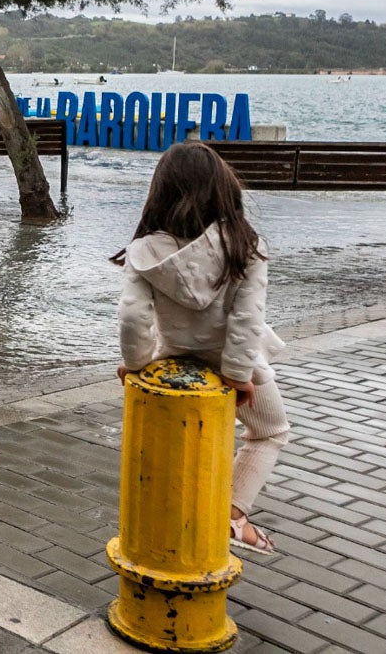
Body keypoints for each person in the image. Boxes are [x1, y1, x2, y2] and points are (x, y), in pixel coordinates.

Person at [112, 140, 288, 555]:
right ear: (221, 188)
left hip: (172, 354)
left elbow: (132, 316)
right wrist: (236, 376)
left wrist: (135, 363)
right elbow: (247, 318)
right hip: (227, 360)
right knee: (270, 432)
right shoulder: (243, 243)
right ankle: (230, 515)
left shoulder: (144, 250)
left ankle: (203, 513)